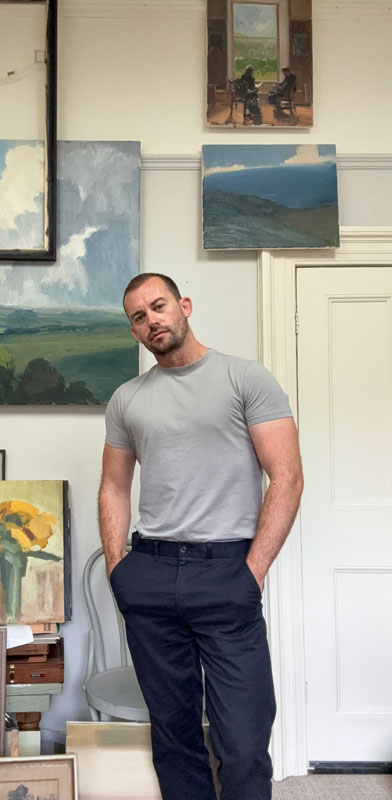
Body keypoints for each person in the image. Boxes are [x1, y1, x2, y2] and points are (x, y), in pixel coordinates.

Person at [98, 273, 303, 800]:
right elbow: (114, 486)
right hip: (150, 573)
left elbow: (287, 477)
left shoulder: (245, 378)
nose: (152, 320)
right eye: (139, 317)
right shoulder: (127, 399)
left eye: (159, 306)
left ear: (184, 305)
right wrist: (119, 568)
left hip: (227, 572)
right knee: (174, 735)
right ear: (134, 331)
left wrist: (253, 571)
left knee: (244, 741)